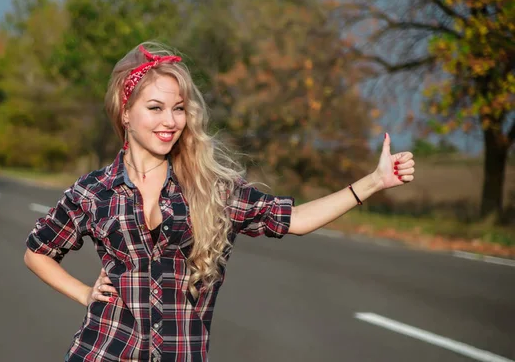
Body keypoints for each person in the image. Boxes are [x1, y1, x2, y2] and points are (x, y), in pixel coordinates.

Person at [24, 42, 415, 362]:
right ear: (125, 113)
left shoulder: (212, 188)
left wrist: (373, 181)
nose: (170, 121)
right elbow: (37, 251)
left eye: (178, 109)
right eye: (155, 108)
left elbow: (294, 219)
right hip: (104, 350)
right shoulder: (94, 191)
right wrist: (84, 294)